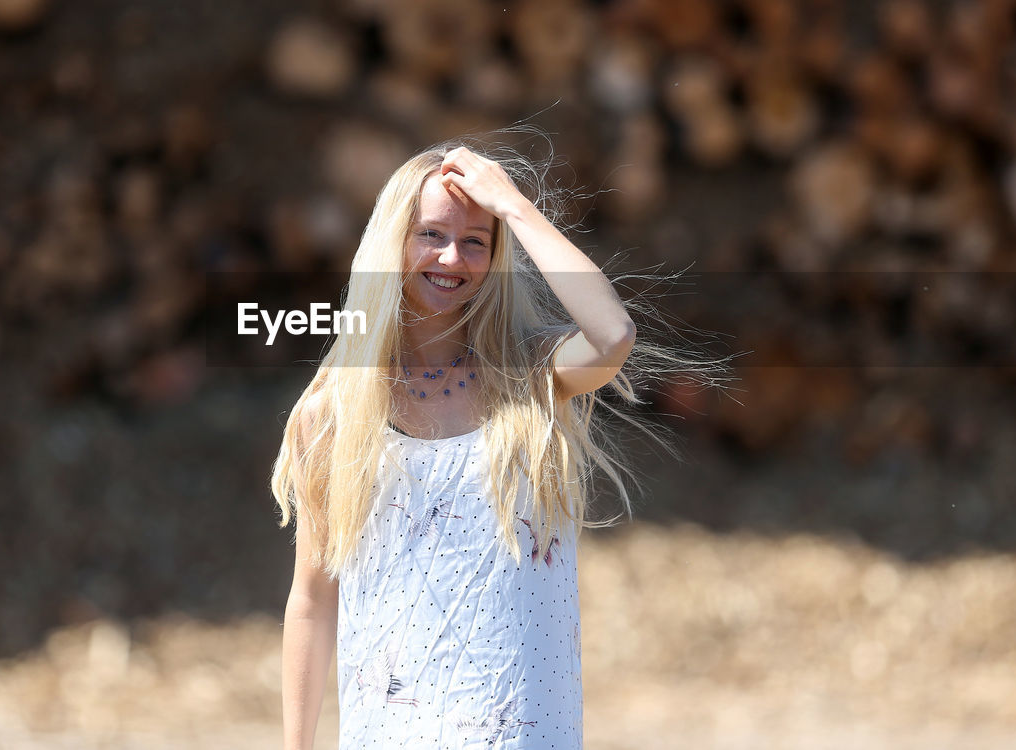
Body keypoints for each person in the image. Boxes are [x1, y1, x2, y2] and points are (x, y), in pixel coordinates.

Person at [272, 134, 724, 749]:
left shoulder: (532, 377)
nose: (452, 258)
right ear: (392, 242)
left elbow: (613, 334)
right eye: (431, 234)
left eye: (475, 241)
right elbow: (312, 602)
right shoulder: (334, 412)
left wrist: (513, 206)